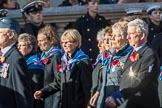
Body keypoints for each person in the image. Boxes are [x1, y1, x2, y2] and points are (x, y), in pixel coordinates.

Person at [105, 18, 160, 108]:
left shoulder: (149, 54)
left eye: (131, 34)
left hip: (143, 103)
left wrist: (118, 97)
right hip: (129, 101)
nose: (127, 37)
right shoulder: (133, 52)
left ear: (142, 36)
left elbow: (141, 80)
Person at [34, 29, 93, 108]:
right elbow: (58, 82)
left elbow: (87, 87)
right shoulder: (64, 61)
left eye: (67, 42)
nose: (64, 45)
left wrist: (89, 105)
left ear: (76, 43)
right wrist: (42, 92)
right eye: (62, 42)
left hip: (78, 104)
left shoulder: (82, 62)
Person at [90, 21, 132, 108]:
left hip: (120, 103)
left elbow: (131, 84)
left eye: (116, 35)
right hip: (104, 102)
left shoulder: (130, 56)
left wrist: (116, 99)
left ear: (126, 38)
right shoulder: (109, 55)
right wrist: (98, 92)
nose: (111, 38)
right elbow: (105, 78)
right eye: (112, 34)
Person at [0, 17, 33, 108]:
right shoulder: (4, 54)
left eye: (0, 33)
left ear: (10, 35)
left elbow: (22, 92)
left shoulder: (16, 59)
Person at [37, 24, 62, 108]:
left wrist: (44, 91)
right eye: (38, 41)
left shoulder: (56, 56)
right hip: (45, 97)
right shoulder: (43, 56)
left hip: (53, 99)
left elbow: (58, 81)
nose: (39, 44)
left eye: (41, 40)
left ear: (51, 40)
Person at [17, 33, 44, 108]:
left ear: (30, 47)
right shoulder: (23, 61)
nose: (18, 47)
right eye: (18, 45)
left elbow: (36, 91)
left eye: (21, 45)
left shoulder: (35, 66)